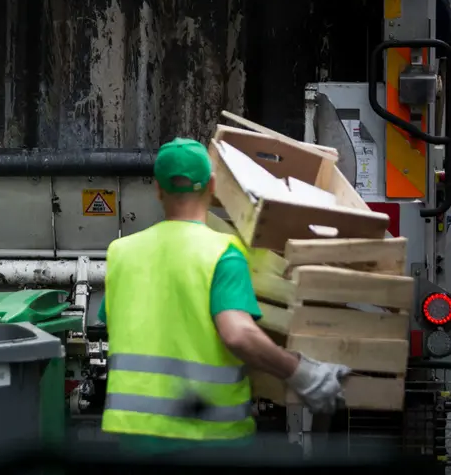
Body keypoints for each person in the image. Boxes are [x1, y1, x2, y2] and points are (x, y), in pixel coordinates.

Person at [99, 137, 350, 454]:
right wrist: (302, 374)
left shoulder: (121, 253)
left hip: (134, 436)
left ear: (158, 189)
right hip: (208, 439)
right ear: (212, 186)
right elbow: (237, 334)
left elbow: (125, 327)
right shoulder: (222, 253)